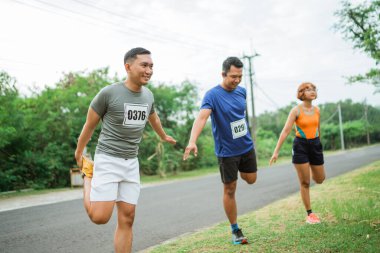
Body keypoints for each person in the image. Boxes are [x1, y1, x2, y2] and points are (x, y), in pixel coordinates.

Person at [75, 47, 176, 253]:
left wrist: (163, 136)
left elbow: (153, 117)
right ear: (128, 67)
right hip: (108, 159)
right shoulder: (108, 93)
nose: (149, 70)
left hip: (131, 162)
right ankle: (88, 177)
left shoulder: (148, 96)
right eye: (144, 65)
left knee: (127, 218)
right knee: (100, 217)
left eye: (151, 66)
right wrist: (79, 153)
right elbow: (89, 125)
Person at [183, 57, 257, 245]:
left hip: (246, 146)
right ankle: (235, 230)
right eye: (233, 76)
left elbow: (240, 116)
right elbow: (201, 118)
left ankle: (240, 171)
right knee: (230, 188)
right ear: (223, 74)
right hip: (227, 151)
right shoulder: (212, 95)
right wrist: (192, 141)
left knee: (251, 179)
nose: (237, 80)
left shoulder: (242, 92)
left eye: (240, 76)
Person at [269, 82, 325, 224]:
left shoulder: (317, 110)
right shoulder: (296, 111)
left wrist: (318, 146)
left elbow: (318, 130)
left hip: (315, 145)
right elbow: (286, 131)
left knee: (320, 179)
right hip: (301, 146)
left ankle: (310, 169)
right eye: (308, 89)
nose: (312, 91)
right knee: (305, 182)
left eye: (313, 89)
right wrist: (276, 152)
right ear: (301, 93)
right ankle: (310, 214)